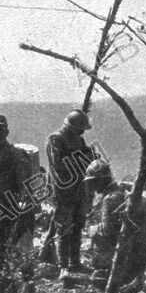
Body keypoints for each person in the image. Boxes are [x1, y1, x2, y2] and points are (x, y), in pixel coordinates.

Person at [0, 114, 34, 271]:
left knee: (1, 245)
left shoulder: (16, 153)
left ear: (6, 132)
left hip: (11, 207)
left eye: (0, 130)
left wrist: (22, 206)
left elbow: (24, 183)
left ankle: (8, 274)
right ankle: (4, 274)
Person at [47, 109, 95, 275]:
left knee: (77, 225)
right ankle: (63, 266)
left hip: (79, 189)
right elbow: (58, 165)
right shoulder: (56, 139)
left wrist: (88, 157)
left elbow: (89, 157)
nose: (82, 132)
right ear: (72, 127)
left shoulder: (79, 139)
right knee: (64, 228)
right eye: (80, 129)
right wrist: (81, 159)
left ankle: (75, 263)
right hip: (63, 191)